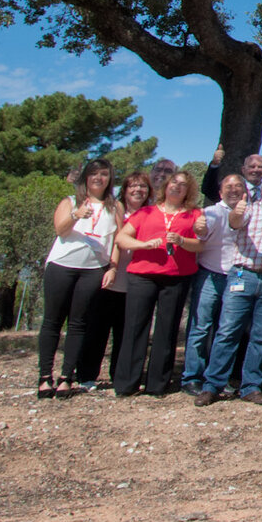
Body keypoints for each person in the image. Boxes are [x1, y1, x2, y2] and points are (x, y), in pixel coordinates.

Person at [195, 170, 262, 406]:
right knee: (227, 331)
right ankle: (212, 385)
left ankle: (251, 386)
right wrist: (237, 212)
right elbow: (235, 222)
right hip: (243, 275)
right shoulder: (249, 209)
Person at [111, 169, 206, 396]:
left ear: (188, 190)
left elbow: (201, 245)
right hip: (142, 276)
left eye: (183, 184)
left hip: (176, 277)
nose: (177, 187)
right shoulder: (145, 212)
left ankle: (157, 384)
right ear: (166, 186)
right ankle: (126, 384)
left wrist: (182, 241)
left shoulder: (194, 214)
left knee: (167, 330)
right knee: (134, 328)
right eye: (174, 182)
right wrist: (143, 245)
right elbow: (121, 238)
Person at [36, 158, 119, 398]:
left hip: (93, 270)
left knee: (78, 323)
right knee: (52, 321)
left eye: (104, 174)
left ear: (109, 179)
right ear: (86, 177)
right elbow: (60, 230)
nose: (98, 178)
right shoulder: (70, 202)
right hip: (62, 266)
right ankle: (45, 377)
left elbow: (117, 239)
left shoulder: (115, 207)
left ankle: (66, 378)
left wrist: (113, 268)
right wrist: (76, 215)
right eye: (94, 173)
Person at [80, 171, 148, 387]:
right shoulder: (113, 211)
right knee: (96, 330)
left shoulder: (152, 215)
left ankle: (119, 377)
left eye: (143, 186)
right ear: (124, 190)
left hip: (135, 283)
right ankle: (86, 376)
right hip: (107, 278)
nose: (138, 190)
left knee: (125, 334)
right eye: (132, 186)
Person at [181, 173, 241, 396]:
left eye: (238, 186)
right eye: (229, 186)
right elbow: (199, 237)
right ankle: (191, 377)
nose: (233, 190)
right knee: (201, 327)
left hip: (236, 277)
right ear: (220, 192)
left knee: (227, 331)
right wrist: (199, 228)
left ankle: (217, 378)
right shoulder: (210, 213)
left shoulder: (250, 213)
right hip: (209, 275)